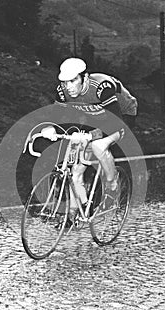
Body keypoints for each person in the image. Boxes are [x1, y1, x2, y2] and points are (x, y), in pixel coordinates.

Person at [52, 57, 138, 218]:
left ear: (84, 77)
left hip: (122, 115)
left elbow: (114, 123)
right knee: (75, 171)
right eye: (65, 82)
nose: (68, 87)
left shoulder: (101, 86)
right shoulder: (62, 91)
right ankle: (76, 211)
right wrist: (51, 129)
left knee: (99, 146)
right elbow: (61, 119)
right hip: (93, 117)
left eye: (73, 81)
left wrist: (91, 135)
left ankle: (113, 184)